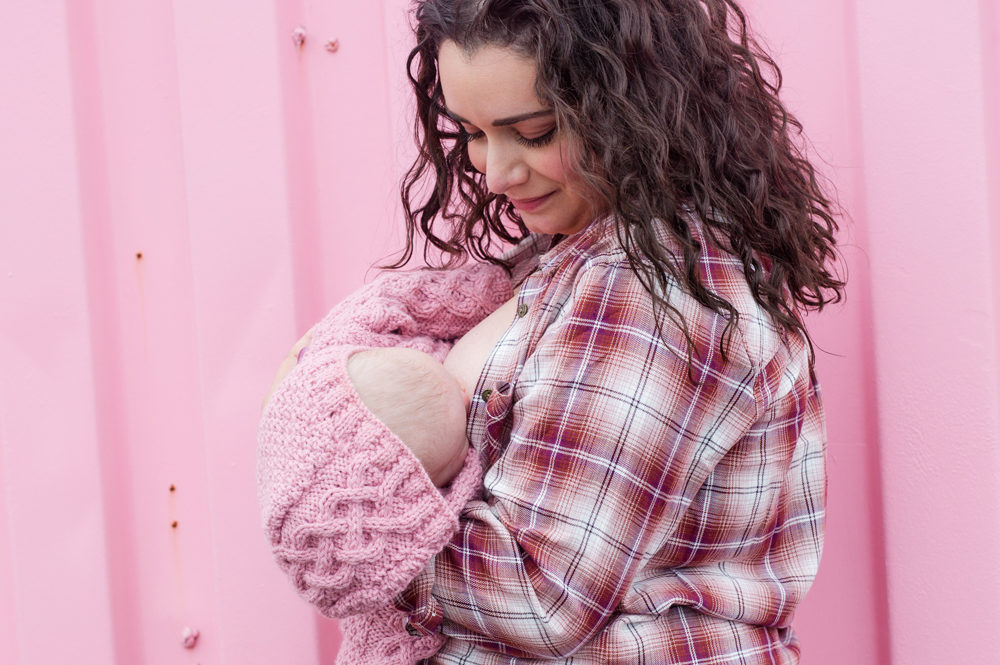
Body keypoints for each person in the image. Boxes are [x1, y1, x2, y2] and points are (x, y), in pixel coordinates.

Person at [257, 1, 845, 663]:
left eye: (533, 132)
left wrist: (338, 518)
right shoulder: (572, 259)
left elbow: (541, 593)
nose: (496, 170)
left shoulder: (661, 286)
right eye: (472, 132)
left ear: (629, 104)